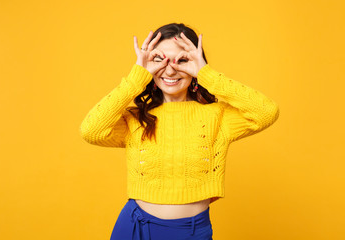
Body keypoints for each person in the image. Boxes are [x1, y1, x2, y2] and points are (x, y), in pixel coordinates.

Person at [79, 23, 280, 240]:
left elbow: (266, 112)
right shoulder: (136, 118)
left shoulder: (217, 117)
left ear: (196, 64)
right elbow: (91, 130)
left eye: (182, 60)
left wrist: (207, 75)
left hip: (191, 232)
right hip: (135, 228)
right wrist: (137, 77)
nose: (171, 69)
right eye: (160, 60)